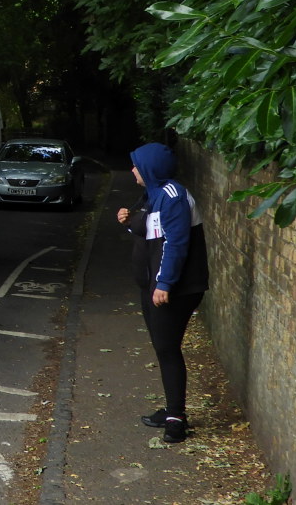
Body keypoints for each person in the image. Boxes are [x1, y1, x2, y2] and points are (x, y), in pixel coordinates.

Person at [116, 141, 209, 444]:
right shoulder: (152, 194)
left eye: (136, 165)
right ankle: (172, 410)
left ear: (150, 168)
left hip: (174, 289)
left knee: (168, 349)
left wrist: (165, 283)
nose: (132, 170)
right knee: (163, 348)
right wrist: (129, 222)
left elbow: (176, 243)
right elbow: (150, 231)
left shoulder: (173, 196)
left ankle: (176, 420)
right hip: (153, 286)